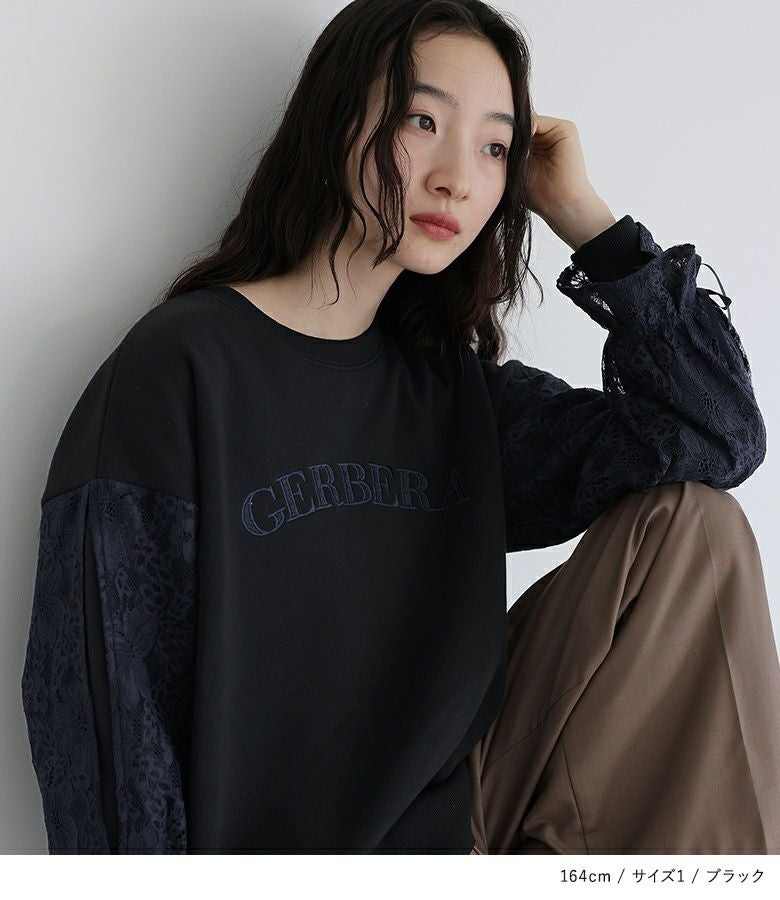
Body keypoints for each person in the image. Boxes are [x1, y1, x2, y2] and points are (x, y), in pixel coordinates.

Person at [20, 0, 776, 855]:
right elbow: (106, 707)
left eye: (495, 148)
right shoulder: (184, 366)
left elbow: (716, 435)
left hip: (469, 828)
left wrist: (589, 224)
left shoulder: (455, 392)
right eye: (423, 121)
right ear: (337, 120)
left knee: (698, 527)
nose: (459, 178)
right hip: (279, 861)